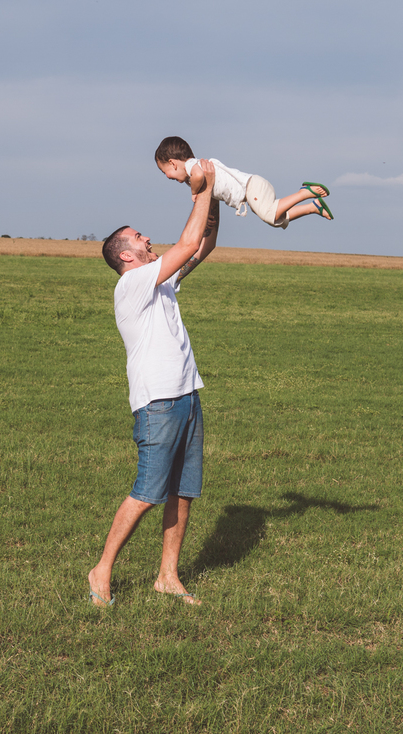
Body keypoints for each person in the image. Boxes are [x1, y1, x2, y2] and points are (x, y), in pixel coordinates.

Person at [88, 160, 220, 608]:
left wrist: (212, 197)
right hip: (158, 404)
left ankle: (168, 576)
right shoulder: (132, 285)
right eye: (138, 237)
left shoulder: (159, 284)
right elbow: (186, 242)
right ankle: (102, 568)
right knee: (147, 491)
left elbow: (202, 248)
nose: (146, 238)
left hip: (187, 395)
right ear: (126, 255)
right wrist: (201, 188)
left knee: (183, 494)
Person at [154, 135, 333, 229]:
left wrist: (194, 193)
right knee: (275, 218)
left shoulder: (193, 166)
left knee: (268, 214)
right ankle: (313, 207)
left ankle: (305, 192)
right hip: (251, 191)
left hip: (251, 187)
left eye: (165, 172)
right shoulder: (192, 171)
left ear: (172, 162)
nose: (167, 177)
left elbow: (199, 177)